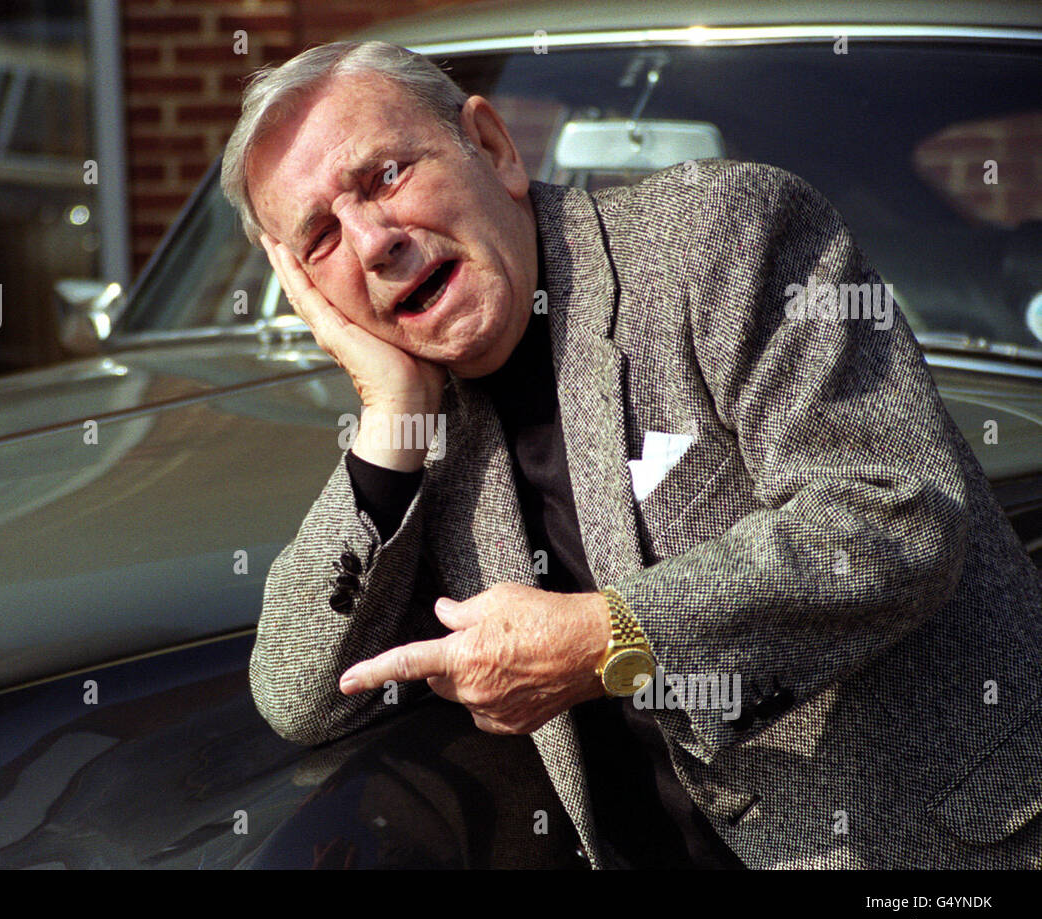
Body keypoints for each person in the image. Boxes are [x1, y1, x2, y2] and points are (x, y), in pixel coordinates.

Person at [223, 40, 1042, 869]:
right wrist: (390, 408)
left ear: (494, 147)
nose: (370, 242)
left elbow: (896, 516)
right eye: (321, 237)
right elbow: (300, 698)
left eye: (385, 177)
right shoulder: (424, 422)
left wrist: (605, 638)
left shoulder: (721, 236)